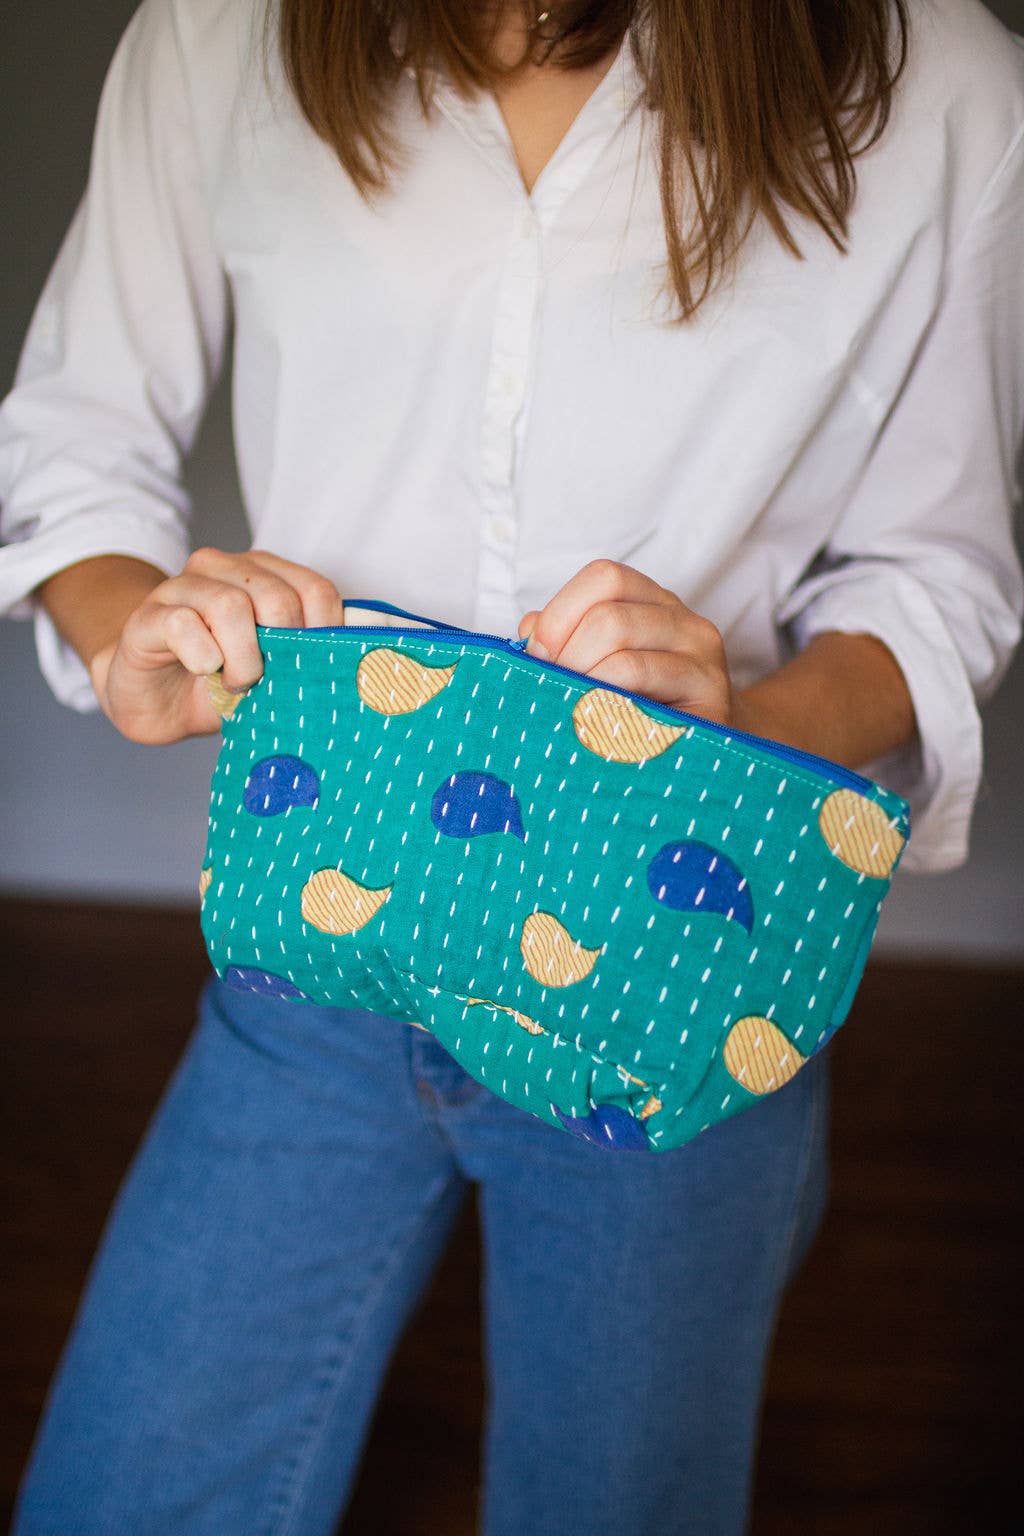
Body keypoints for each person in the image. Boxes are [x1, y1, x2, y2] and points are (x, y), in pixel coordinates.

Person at [1, 0, 1021, 1530]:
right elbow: (75, 442)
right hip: (316, 945)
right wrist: (128, 630)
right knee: (123, 1494)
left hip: (677, 963)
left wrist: (736, 715)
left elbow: (938, 577)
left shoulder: (947, 81)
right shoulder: (219, 30)